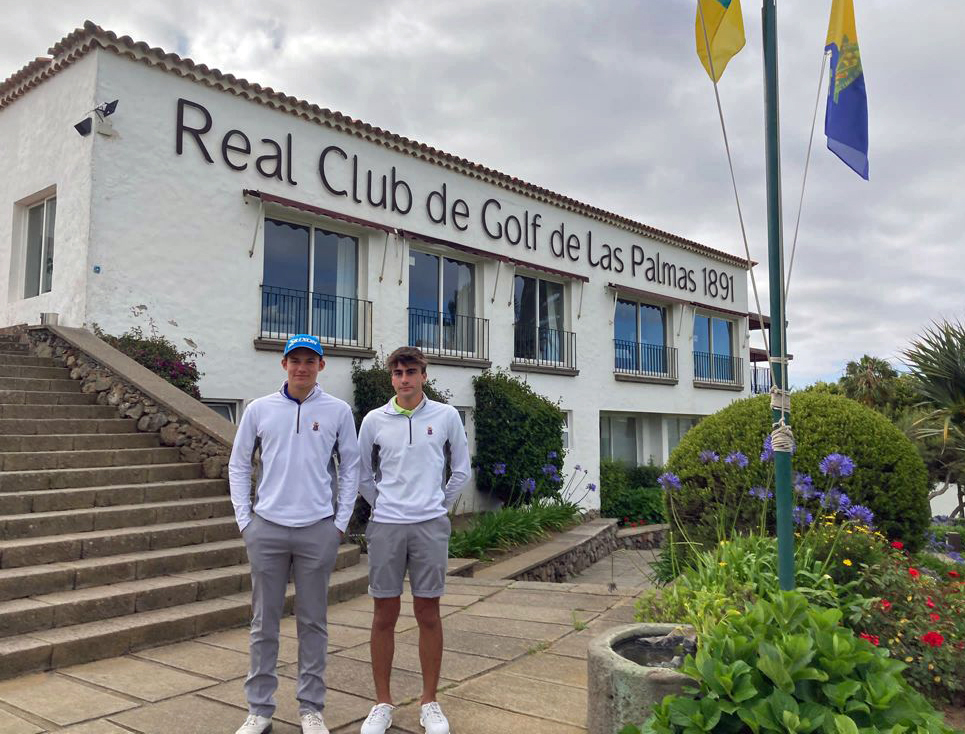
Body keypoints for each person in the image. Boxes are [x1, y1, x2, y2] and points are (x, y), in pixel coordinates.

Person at [228, 334, 360, 734]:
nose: (302, 367)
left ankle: (310, 709)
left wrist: (339, 523)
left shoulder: (338, 411)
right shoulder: (258, 410)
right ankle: (259, 709)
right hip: (266, 528)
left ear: (321, 366)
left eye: (310, 360)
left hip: (317, 529)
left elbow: (351, 467)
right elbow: (238, 465)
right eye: (295, 360)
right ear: (283, 364)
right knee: (263, 622)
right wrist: (245, 521)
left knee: (313, 623)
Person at [357, 346, 470, 734]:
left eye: (411, 371)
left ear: (424, 374)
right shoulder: (374, 420)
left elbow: (461, 470)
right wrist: (385, 506)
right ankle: (382, 703)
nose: (404, 378)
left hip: (429, 526)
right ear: (392, 377)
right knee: (383, 616)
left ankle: (430, 702)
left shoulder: (446, 416)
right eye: (398, 372)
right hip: (387, 526)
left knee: (428, 614)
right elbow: (361, 475)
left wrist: (437, 506)